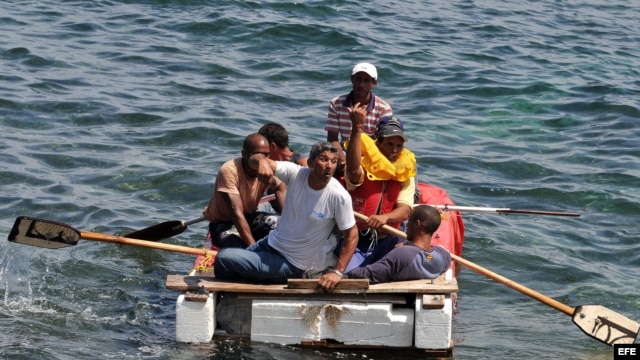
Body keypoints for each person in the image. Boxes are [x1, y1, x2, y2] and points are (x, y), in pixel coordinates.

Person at [214, 141, 359, 290]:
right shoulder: (296, 173)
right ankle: (253, 277)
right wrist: (262, 162)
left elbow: (352, 234)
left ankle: (256, 278)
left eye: (333, 161)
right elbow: (252, 160)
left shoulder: (339, 196)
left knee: (223, 258)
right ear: (310, 163)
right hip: (271, 243)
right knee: (223, 263)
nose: (329, 166)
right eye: (323, 159)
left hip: (292, 263)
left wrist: (337, 272)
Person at [340, 110, 417, 272]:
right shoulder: (362, 165)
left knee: (415, 263)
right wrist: (356, 128)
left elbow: (405, 210)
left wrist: (385, 217)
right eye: (389, 144)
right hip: (356, 237)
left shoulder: (405, 174)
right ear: (378, 142)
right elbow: (353, 172)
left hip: (389, 238)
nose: (394, 150)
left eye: (399, 145)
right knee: (350, 274)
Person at [203, 133, 286, 249]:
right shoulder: (229, 171)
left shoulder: (266, 169)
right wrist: (253, 249)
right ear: (245, 154)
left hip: (251, 217)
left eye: (267, 155)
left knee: (280, 224)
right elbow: (236, 213)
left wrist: (287, 217)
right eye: (259, 155)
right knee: (238, 246)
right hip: (224, 223)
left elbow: (280, 187)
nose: (264, 160)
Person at [346, 205, 451, 284]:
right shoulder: (443, 256)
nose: (407, 225)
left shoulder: (402, 254)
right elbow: (428, 254)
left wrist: (345, 273)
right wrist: (407, 244)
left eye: (409, 221)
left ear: (417, 224)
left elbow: (370, 275)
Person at [325, 62, 393, 173]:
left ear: (373, 83)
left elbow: (384, 142)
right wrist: (343, 160)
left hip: (373, 153)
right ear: (352, 79)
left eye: (366, 81)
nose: (361, 85)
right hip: (345, 150)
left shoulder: (384, 109)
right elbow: (332, 138)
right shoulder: (337, 103)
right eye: (358, 79)